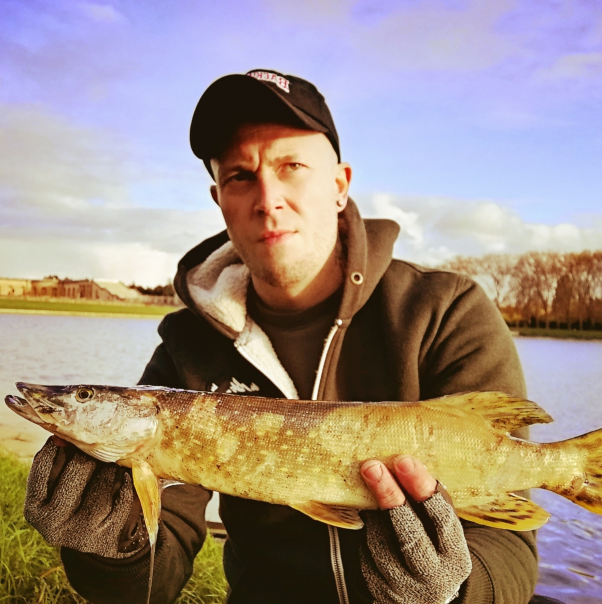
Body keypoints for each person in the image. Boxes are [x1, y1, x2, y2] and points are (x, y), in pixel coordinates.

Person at [24, 69, 541, 604]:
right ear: (219, 198)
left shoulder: (445, 311)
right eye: (240, 176)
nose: (267, 198)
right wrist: (110, 549)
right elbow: (154, 577)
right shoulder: (186, 348)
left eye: (291, 166)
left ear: (339, 185)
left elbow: (510, 549)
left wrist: (454, 593)